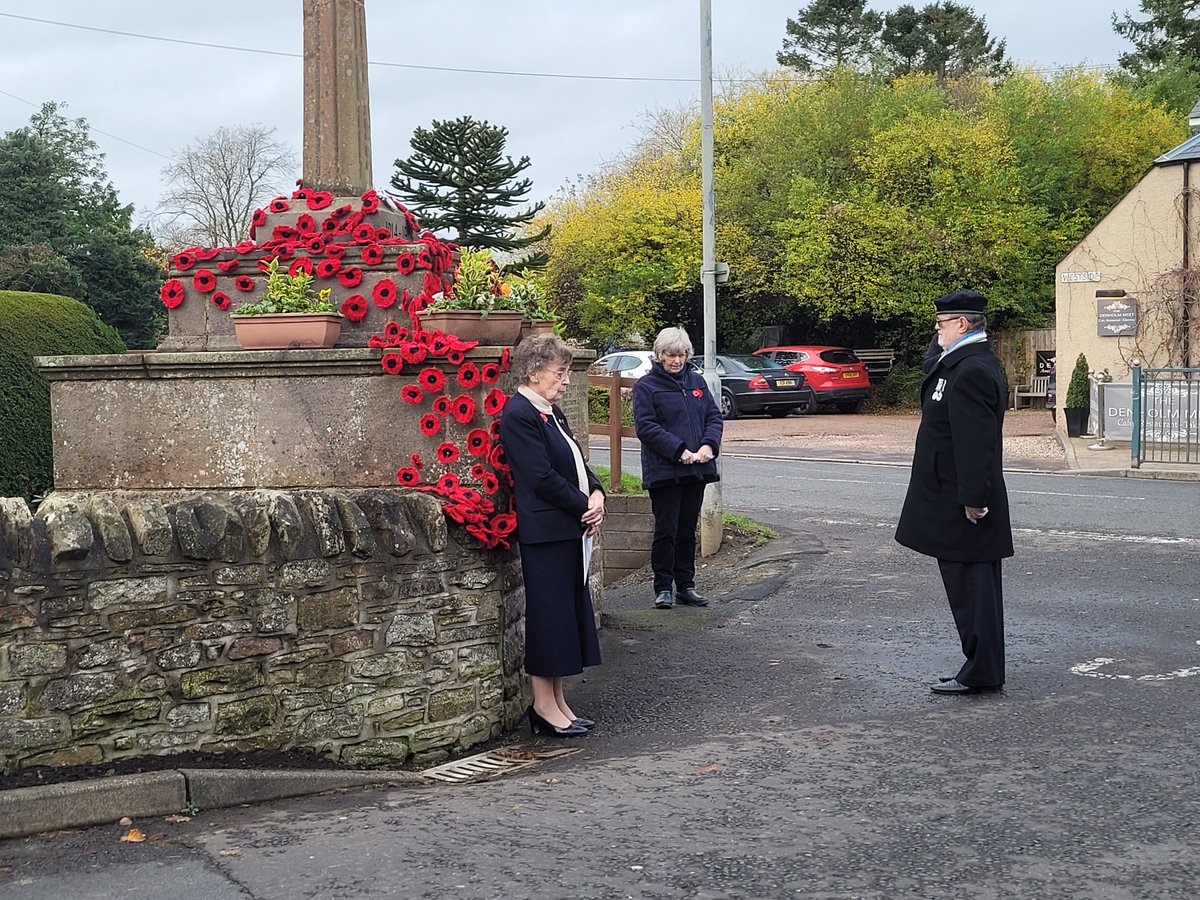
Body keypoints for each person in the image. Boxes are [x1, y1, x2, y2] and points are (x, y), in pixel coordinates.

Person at [895, 290, 1014, 695]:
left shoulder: (972, 370)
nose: (936, 329)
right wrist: (944, 338)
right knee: (967, 586)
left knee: (974, 589)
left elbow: (976, 442)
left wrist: (975, 498)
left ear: (962, 325)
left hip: (966, 502)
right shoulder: (959, 363)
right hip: (954, 497)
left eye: (942, 323)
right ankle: (981, 666)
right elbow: (934, 362)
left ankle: (982, 670)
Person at [499, 334, 605, 736]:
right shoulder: (519, 414)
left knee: (565, 616)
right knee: (548, 618)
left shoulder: (552, 412)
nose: (565, 381)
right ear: (533, 372)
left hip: (568, 529)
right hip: (546, 532)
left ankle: (560, 701)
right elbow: (541, 477)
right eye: (560, 373)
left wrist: (597, 493)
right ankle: (543, 706)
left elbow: (576, 461)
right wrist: (583, 506)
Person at [632, 327, 724, 610]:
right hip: (665, 470)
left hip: (696, 469)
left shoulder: (696, 382)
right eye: (671, 355)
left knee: (687, 530)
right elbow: (646, 427)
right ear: (660, 355)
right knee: (666, 530)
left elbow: (713, 416)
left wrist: (708, 446)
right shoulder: (646, 387)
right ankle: (663, 587)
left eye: (681, 354)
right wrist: (678, 450)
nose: (677, 360)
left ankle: (686, 585)